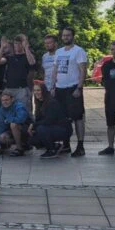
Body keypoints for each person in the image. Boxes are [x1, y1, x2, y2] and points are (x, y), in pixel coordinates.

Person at [54, 27, 88, 157]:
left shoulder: (79, 51)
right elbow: (55, 69)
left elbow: (83, 70)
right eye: (63, 35)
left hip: (73, 88)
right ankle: (66, 144)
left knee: (78, 117)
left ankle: (80, 146)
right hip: (59, 88)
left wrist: (79, 87)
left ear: (73, 36)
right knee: (63, 118)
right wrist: (52, 86)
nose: (65, 38)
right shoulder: (59, 51)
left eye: (68, 35)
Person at [0, 34, 36, 115]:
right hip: (9, 89)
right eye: (15, 43)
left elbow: (32, 62)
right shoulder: (9, 56)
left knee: (23, 112)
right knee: (7, 112)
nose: (16, 45)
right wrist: (2, 47)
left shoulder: (27, 56)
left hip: (22, 89)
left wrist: (26, 48)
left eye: (19, 43)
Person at [35, 86, 73, 158]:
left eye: (38, 90)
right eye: (35, 90)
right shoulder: (39, 103)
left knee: (40, 129)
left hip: (63, 129)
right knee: (33, 139)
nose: (36, 92)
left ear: (44, 91)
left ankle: (51, 150)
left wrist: (34, 125)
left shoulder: (51, 102)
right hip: (52, 128)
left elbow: (49, 120)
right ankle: (56, 146)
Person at [0, 90, 30, 155]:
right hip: (12, 131)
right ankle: (21, 144)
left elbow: (21, 119)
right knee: (1, 137)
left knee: (13, 125)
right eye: (2, 100)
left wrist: (9, 120)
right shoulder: (1, 109)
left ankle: (19, 149)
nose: (4, 102)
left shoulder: (19, 106)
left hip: (26, 129)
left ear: (12, 99)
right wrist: (0, 142)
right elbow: (2, 125)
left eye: (6, 100)